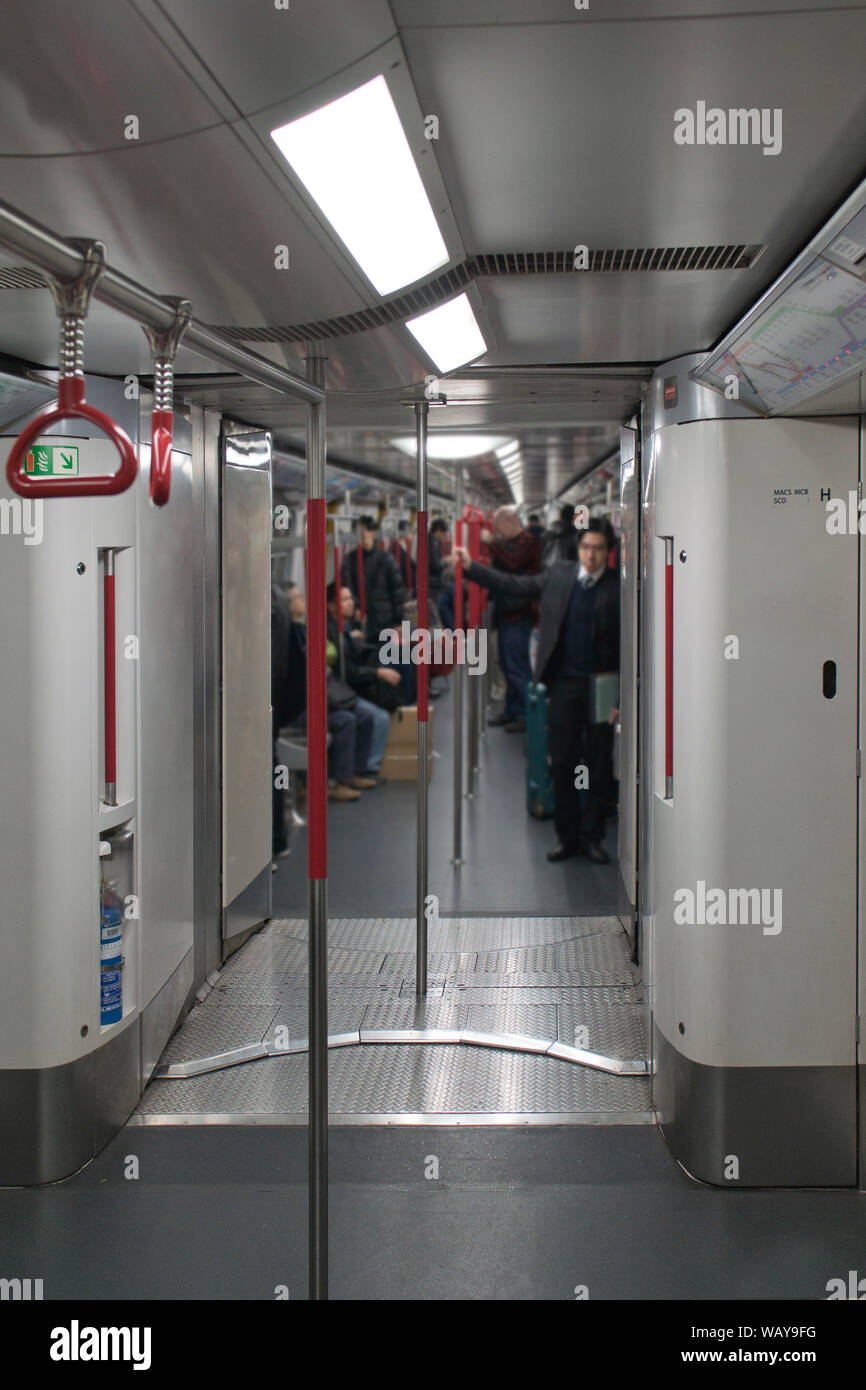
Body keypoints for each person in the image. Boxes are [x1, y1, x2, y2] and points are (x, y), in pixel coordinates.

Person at [451, 518, 619, 864]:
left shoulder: (619, 588)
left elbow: (628, 646)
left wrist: (621, 698)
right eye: (587, 547)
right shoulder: (559, 575)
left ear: (608, 552)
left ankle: (592, 834)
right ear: (579, 548)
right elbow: (515, 584)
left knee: (598, 765)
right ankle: (567, 835)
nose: (592, 555)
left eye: (599, 549)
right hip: (564, 684)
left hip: (602, 687)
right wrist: (472, 568)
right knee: (563, 762)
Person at [326, 582, 400, 776]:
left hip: (342, 688)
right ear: (331, 606)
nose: (351, 603)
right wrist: (377, 673)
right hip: (338, 691)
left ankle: (361, 768)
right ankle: (368, 768)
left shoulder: (342, 627)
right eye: (344, 600)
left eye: (351, 599)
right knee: (379, 717)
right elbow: (348, 671)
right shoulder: (329, 631)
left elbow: (355, 653)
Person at [481, 505, 541, 733]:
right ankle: (512, 711)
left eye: (498, 529)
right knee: (507, 665)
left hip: (521, 613)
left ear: (509, 522)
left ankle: (526, 715)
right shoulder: (513, 542)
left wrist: (492, 543)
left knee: (518, 667)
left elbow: (514, 561)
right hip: (508, 613)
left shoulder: (528, 541)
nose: (497, 533)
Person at [342, 515, 407, 645]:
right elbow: (346, 587)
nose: (362, 535)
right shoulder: (350, 560)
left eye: (365, 530)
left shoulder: (386, 559)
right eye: (359, 531)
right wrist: (355, 608)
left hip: (385, 621)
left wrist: (398, 622)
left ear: (373, 532)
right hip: (361, 621)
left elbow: (397, 592)